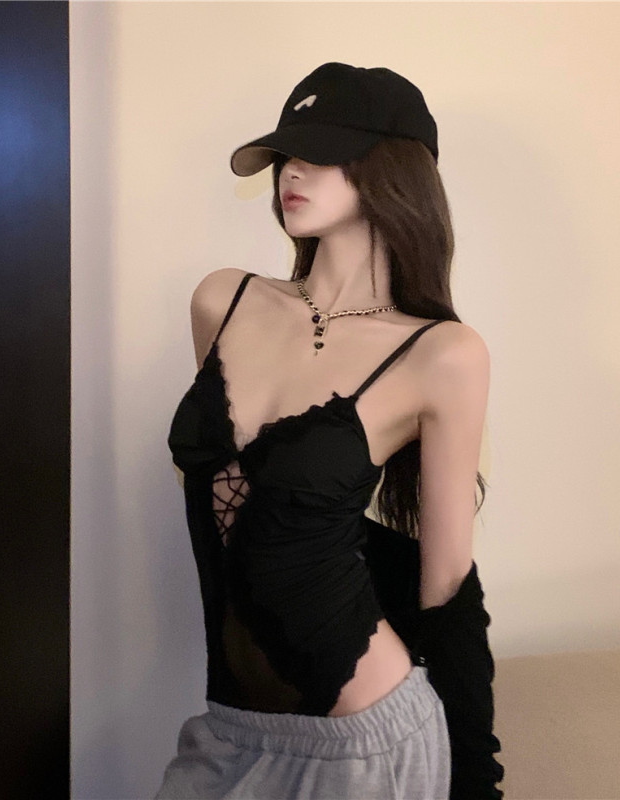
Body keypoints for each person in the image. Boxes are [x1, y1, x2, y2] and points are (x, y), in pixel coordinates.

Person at [157, 62, 504, 799]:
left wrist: (476, 781)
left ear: (393, 170)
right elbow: (259, 502)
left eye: (320, 152)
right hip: (228, 729)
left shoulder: (441, 354)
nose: (292, 170)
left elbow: (447, 585)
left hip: (365, 741)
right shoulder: (223, 301)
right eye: (286, 153)